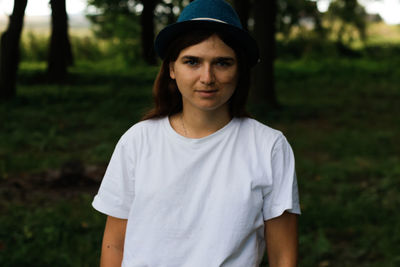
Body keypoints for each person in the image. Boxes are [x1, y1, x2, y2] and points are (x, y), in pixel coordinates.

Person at [92, 0, 301, 266]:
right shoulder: (138, 141)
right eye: (192, 61)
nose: (207, 77)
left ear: (240, 70)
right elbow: (115, 246)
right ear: (171, 68)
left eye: (223, 63)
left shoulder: (268, 146)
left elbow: (284, 257)